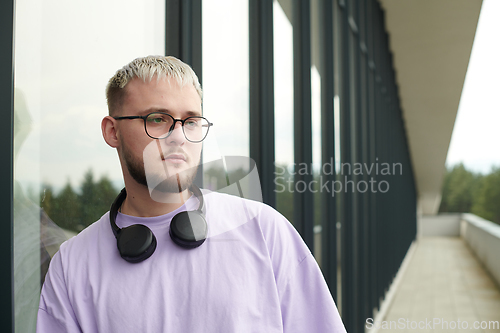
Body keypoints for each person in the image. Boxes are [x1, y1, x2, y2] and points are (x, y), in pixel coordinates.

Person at [36, 55, 346, 332]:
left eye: (192, 121)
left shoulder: (264, 230)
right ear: (112, 131)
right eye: (157, 119)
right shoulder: (71, 265)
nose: (179, 136)